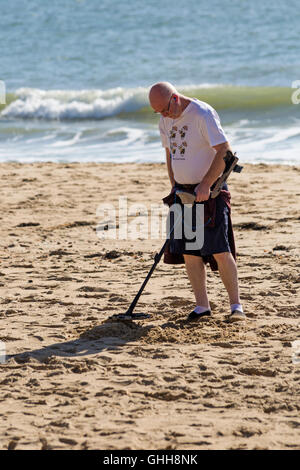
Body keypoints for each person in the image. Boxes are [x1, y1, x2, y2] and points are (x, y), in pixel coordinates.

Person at [149, 81, 245, 322]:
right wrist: (174, 184)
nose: (163, 116)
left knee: (220, 249)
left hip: (210, 191)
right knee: (189, 252)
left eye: (165, 110)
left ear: (175, 98)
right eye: (158, 112)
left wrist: (206, 184)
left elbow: (225, 151)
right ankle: (202, 306)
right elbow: (169, 153)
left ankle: (236, 307)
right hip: (182, 193)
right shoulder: (165, 119)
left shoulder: (202, 114)